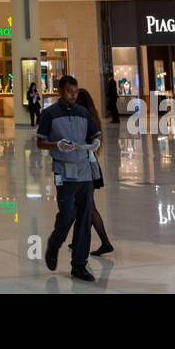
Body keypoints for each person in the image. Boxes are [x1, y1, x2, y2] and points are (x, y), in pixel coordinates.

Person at [36, 75, 101, 282]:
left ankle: (79, 265)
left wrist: (96, 142)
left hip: (84, 171)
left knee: (84, 216)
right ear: (59, 91)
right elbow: (40, 143)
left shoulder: (83, 113)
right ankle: (54, 245)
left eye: (76, 91)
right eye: (69, 92)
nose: (73, 95)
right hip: (63, 172)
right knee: (67, 214)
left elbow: (95, 134)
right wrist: (57, 145)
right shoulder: (49, 114)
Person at [75, 88, 116, 256]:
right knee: (84, 205)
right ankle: (78, 239)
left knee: (89, 206)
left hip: (85, 165)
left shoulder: (84, 119)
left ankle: (105, 242)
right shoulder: (91, 117)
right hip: (89, 164)